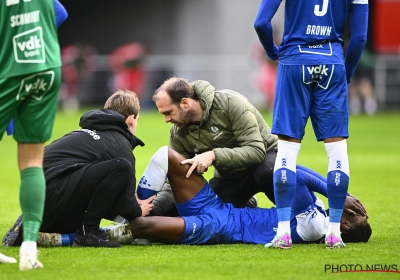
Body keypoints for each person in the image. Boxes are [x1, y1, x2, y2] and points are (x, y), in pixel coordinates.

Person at [254, 0, 369, 248]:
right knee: (337, 151)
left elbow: (261, 23)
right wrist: (345, 71)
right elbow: (359, 37)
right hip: (332, 63)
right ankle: (334, 233)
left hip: (294, 61)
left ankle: (283, 233)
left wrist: (274, 53)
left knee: (286, 151)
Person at [109, 147, 371, 246]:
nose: (353, 206)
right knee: (167, 156)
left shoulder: (314, 226)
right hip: (220, 208)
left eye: (354, 211)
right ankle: (134, 213)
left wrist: (337, 193)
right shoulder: (319, 209)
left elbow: (295, 177)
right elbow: (293, 169)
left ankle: (74, 237)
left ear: (345, 224)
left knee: (143, 226)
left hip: (220, 227)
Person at [3, 90, 154, 249]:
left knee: (105, 173)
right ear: (131, 119)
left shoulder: (82, 135)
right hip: (53, 201)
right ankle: (88, 232)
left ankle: (57, 230)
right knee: (122, 166)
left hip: (36, 204)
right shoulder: (119, 144)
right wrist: (138, 210)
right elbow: (127, 207)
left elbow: (98, 192)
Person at [0, 0, 67, 270]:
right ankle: (28, 247)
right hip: (46, 68)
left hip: (8, 70)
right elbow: (60, 13)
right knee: (32, 161)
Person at [143, 77, 278, 212]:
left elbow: (256, 151)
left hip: (267, 157)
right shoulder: (178, 133)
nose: (166, 120)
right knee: (205, 212)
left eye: (168, 113)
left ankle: (294, 217)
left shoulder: (231, 103)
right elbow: (179, 180)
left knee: (267, 172)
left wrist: (213, 155)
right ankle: (246, 203)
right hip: (230, 174)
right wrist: (150, 209)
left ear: (185, 103)